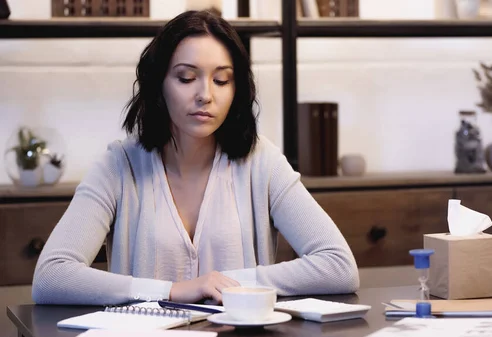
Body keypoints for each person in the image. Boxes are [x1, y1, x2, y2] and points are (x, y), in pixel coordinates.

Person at [31, 10, 359, 306]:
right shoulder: (120, 166)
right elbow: (51, 276)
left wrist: (229, 285)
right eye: (186, 78)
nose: (206, 94)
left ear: (237, 90)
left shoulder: (262, 163)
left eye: (221, 80)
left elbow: (338, 266)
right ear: (159, 85)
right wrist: (171, 291)